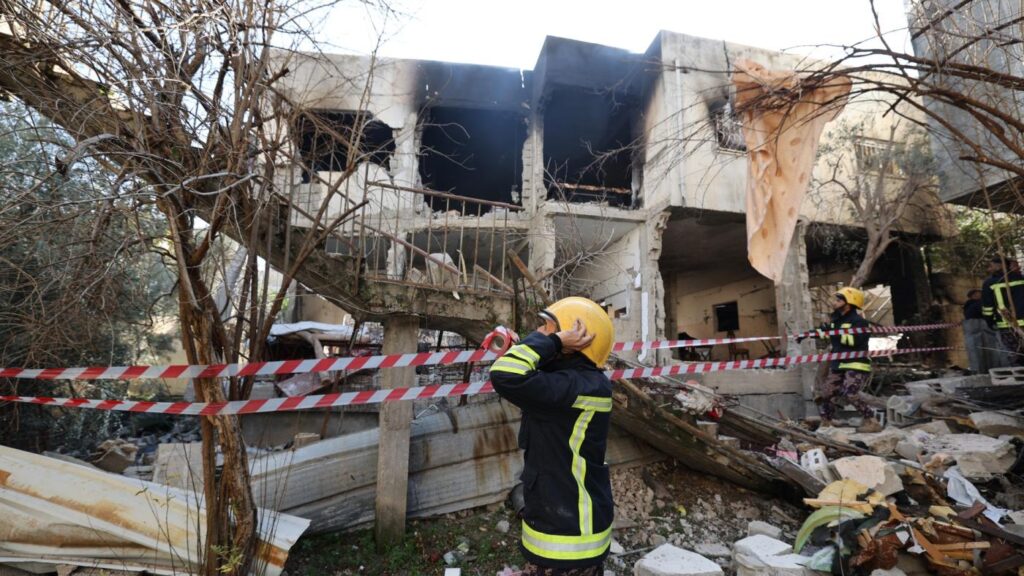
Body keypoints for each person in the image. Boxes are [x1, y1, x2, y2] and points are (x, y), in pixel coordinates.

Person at [489, 297, 615, 576]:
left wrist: (552, 343)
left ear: (575, 342)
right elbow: (522, 375)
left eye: (549, 329)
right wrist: (542, 345)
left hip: (571, 536)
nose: (540, 332)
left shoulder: (579, 388)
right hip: (561, 522)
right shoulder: (577, 383)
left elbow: (504, 375)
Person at [801, 287, 881, 432]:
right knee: (826, 393)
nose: (834, 303)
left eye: (839, 300)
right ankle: (827, 423)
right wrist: (807, 334)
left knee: (850, 394)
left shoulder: (859, 322)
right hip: (838, 363)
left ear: (849, 303)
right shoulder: (836, 320)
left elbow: (853, 341)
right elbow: (826, 334)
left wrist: (833, 333)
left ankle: (871, 421)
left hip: (856, 364)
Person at [982, 256, 1024, 366]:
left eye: (991, 266)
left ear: (999, 266)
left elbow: (988, 307)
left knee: (1014, 353)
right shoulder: (1021, 279)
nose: (989, 269)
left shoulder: (990, 283)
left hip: (1007, 323)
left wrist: (989, 321)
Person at [963, 288, 1009, 373]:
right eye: (977, 294)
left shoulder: (968, 305)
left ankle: (980, 370)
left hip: (977, 327)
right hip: (984, 326)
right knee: (996, 347)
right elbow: (987, 313)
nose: (980, 295)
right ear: (972, 296)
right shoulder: (977, 304)